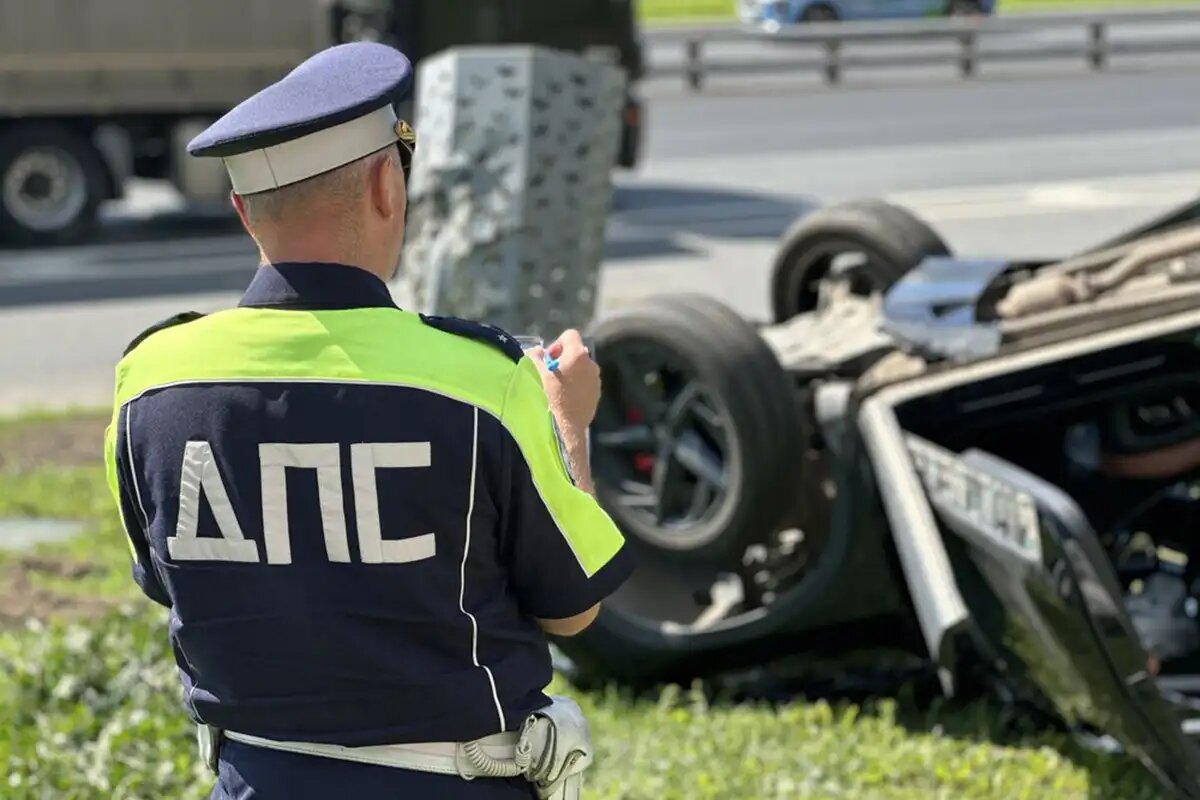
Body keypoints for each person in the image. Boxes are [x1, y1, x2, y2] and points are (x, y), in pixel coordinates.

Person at [102, 41, 633, 800]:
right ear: (388, 184)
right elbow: (574, 607)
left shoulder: (150, 379)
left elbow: (167, 584)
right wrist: (569, 424)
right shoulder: (485, 380)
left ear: (244, 211)